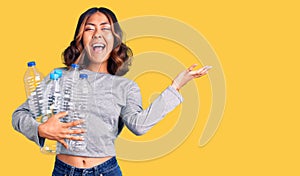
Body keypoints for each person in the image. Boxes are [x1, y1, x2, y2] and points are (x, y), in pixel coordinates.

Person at [12, 7, 212, 176]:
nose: (97, 33)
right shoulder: (59, 78)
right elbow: (19, 115)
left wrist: (175, 86)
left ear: (115, 40)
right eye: (89, 28)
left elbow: (139, 126)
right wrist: (40, 129)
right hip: (65, 170)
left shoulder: (125, 87)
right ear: (81, 39)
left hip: (106, 171)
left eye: (105, 28)